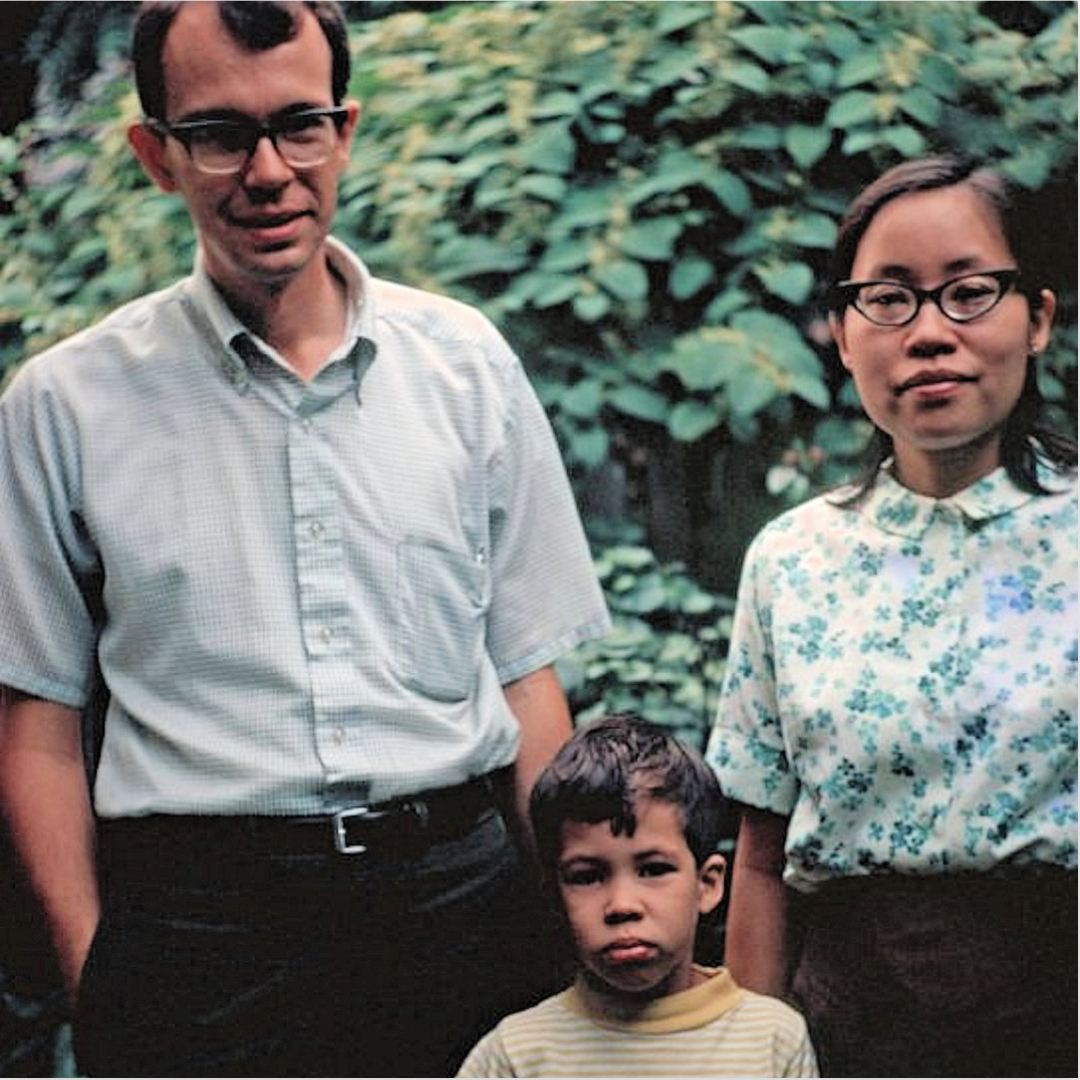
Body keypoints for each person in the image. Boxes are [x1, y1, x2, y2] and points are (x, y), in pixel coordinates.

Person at [0, 2, 611, 1075]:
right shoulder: (64, 406)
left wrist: (579, 943)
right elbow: (36, 724)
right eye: (221, 133)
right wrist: (98, 977)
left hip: (460, 918)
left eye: (301, 124)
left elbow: (526, 681)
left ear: (348, 130)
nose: (269, 170)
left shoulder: (466, 365)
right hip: (201, 944)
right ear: (156, 153)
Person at [707, 155, 1077, 1077]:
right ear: (841, 331)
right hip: (853, 1023)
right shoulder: (792, 562)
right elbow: (759, 858)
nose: (928, 334)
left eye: (968, 292)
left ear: (1036, 317)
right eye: (889, 299)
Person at [456, 713, 819, 1077]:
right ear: (555, 898)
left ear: (707, 885)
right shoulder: (516, 1054)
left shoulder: (772, 1040)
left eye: (653, 870)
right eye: (588, 877)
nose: (622, 906)